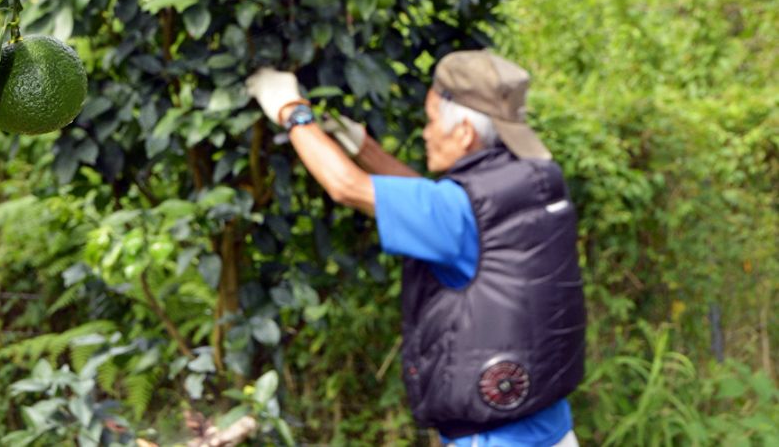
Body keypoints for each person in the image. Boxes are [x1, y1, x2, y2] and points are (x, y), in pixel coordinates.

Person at [246, 49, 585, 447]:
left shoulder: (457, 214)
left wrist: (292, 112)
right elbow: (432, 204)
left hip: (492, 438)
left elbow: (346, 187)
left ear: (464, 133)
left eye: (430, 120)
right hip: (551, 426)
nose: (425, 132)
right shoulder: (533, 181)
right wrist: (362, 146)